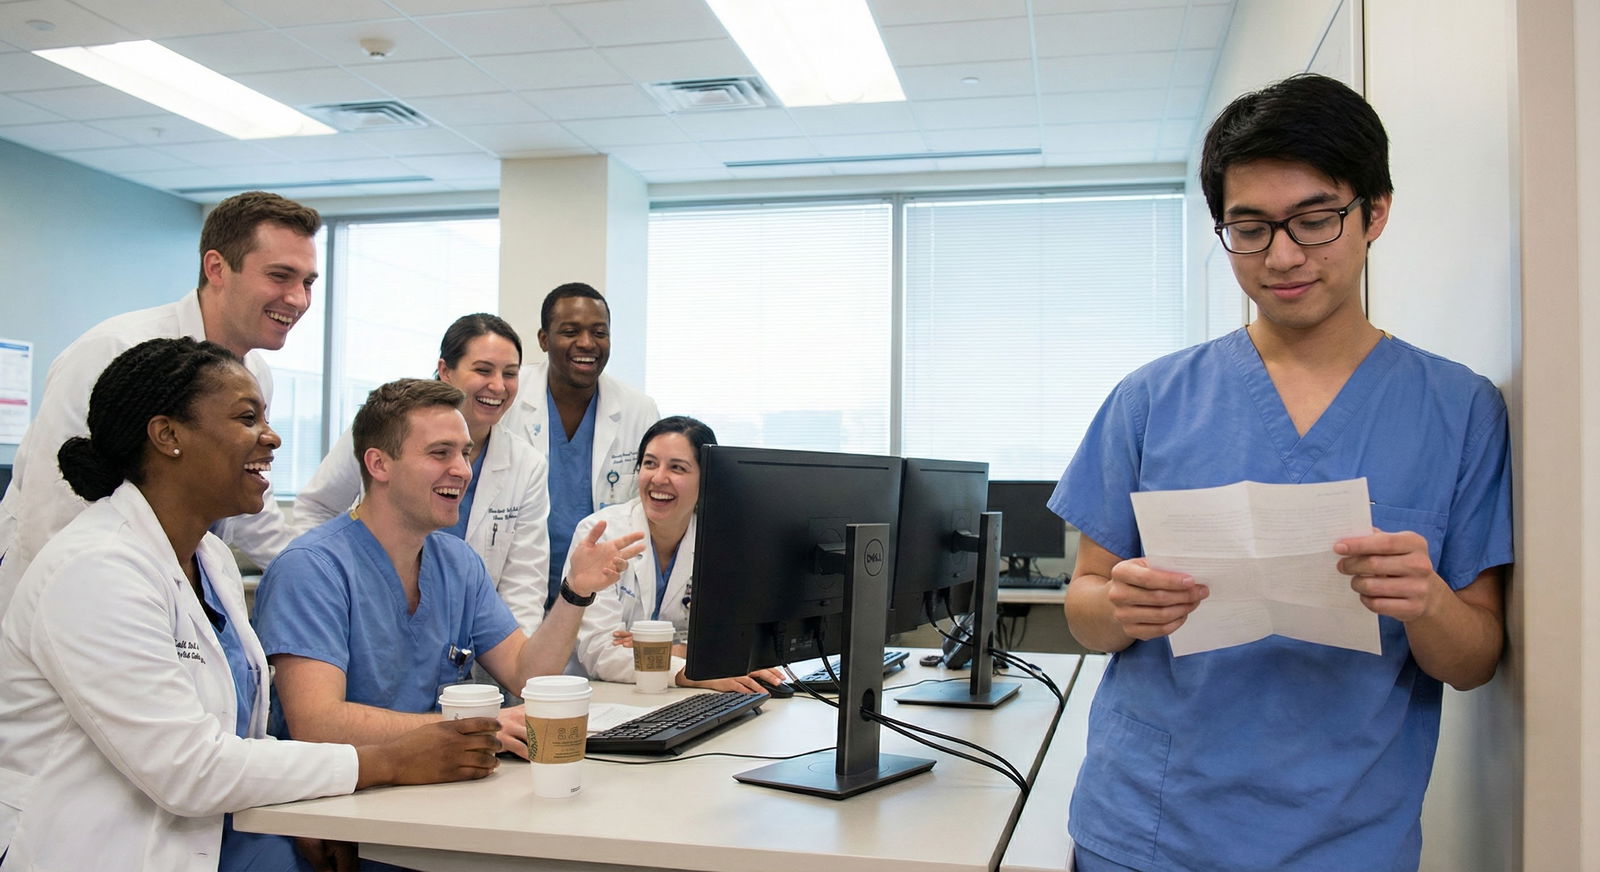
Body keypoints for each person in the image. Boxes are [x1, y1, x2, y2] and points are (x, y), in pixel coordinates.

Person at [1052, 74, 1512, 872]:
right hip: (1148, 828)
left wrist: (1428, 601)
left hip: (1348, 839)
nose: (1284, 256)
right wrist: (1121, 603)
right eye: (1251, 228)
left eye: (1315, 220)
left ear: (1376, 213)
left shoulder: (1459, 409)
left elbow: (1474, 658)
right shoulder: (1151, 400)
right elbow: (1083, 610)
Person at [0, 338, 501, 872]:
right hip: (106, 848)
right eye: (247, 418)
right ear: (168, 435)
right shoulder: (95, 570)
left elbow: (245, 738)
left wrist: (300, 812)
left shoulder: (209, 557)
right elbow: (187, 768)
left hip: (220, 832)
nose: (273, 437)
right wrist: (385, 762)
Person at [254, 379, 645, 759]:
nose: (462, 470)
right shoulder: (311, 570)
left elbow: (526, 676)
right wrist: (473, 724)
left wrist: (575, 592)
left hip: (436, 787)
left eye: (465, 453)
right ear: (378, 464)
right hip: (331, 806)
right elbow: (317, 725)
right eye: (441, 453)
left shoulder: (456, 564)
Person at [0, 191, 317, 614]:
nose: (298, 298)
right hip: (73, 600)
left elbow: (252, 514)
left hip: (171, 594)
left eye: (308, 282)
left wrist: (319, 575)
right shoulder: (115, 350)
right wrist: (79, 613)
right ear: (217, 268)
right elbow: (53, 508)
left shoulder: (255, 374)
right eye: (281, 276)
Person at [294, 314, 551, 631]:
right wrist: (318, 583)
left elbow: (524, 585)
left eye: (510, 374)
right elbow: (317, 509)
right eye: (483, 370)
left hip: (475, 649)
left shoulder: (527, 465)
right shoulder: (385, 429)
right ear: (445, 371)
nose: (498, 386)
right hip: (371, 621)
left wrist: (513, 664)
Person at [569, 416, 784, 692]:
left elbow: (735, 643)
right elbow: (600, 652)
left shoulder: (723, 542)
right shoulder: (601, 534)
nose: (659, 478)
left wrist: (662, 649)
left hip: (684, 697)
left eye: (677, 468)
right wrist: (689, 668)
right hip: (607, 697)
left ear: (707, 478)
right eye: (649, 464)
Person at [498, 283, 659, 611]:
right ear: (544, 340)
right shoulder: (509, 399)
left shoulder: (637, 409)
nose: (586, 343)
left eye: (599, 332)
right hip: (515, 587)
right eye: (570, 331)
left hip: (605, 597)